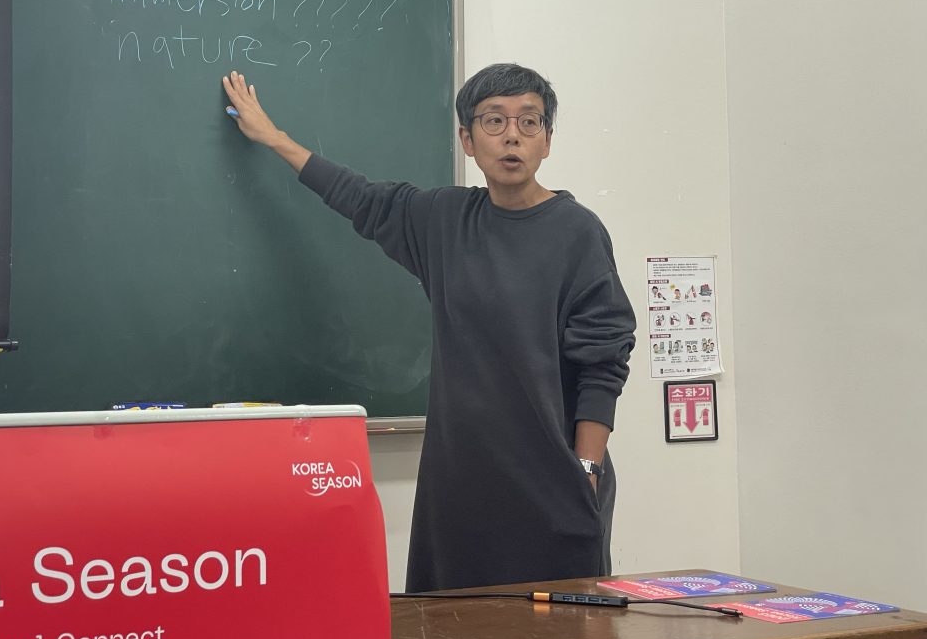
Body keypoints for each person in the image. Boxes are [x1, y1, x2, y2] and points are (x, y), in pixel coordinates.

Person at [221, 63, 635, 592]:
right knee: (450, 628)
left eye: (530, 122)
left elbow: (603, 358)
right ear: (466, 138)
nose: (512, 135)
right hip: (461, 485)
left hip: (555, 481)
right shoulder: (443, 220)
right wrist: (273, 138)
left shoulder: (577, 233)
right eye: (493, 121)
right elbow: (360, 198)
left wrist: (586, 467)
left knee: (557, 632)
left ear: (547, 141)